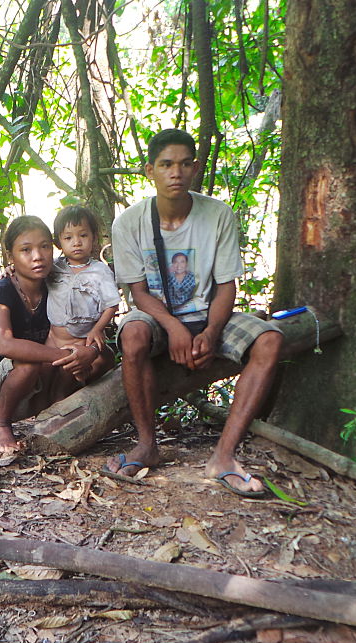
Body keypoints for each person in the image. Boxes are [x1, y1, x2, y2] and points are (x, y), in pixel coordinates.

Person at [108, 128, 283, 497]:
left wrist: (210, 332)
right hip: (158, 317)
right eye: (166, 164)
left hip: (208, 312)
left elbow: (225, 286)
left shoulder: (217, 215)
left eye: (185, 164)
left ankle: (223, 455)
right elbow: (138, 292)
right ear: (149, 171)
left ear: (195, 167)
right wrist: (173, 327)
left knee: (269, 340)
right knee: (132, 335)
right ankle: (146, 443)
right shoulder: (129, 223)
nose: (176, 173)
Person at [0, 215, 102, 453]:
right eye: (25, 250)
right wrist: (63, 354)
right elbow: (6, 346)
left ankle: (56, 411)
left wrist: (87, 352)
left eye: (44, 246)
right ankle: (0, 425)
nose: (37, 256)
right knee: (28, 362)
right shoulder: (2, 292)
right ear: (10, 257)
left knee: (101, 357)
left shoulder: (56, 284)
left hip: (35, 391)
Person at [44, 205, 119, 381]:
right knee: (48, 375)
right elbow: (31, 273)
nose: (76, 242)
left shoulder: (99, 271)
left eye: (83, 235)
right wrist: (11, 269)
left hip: (84, 339)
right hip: (53, 339)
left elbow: (112, 304)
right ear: (59, 242)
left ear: (93, 237)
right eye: (68, 237)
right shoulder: (54, 267)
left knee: (77, 377)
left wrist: (97, 329)